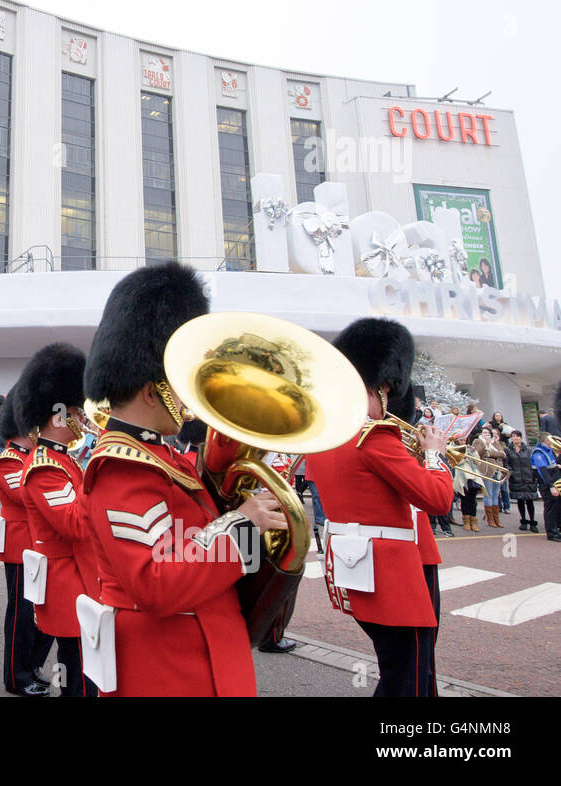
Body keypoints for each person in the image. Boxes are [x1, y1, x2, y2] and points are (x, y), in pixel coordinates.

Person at [82, 263, 282, 696]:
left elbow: (197, 535)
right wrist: (243, 526)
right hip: (170, 667)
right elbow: (156, 582)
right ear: (153, 390)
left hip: (207, 646)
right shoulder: (123, 468)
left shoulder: (162, 456)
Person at [310, 318, 452, 697]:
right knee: (408, 682)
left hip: (361, 570)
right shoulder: (374, 438)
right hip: (395, 580)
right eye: (384, 388)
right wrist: (435, 457)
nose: (389, 397)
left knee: (404, 673)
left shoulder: (328, 437)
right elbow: (437, 499)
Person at [14, 342, 99, 698]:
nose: (82, 420)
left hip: (81, 577)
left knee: (81, 672)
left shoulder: (64, 460)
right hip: (68, 584)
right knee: (75, 677)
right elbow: (76, 524)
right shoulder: (45, 468)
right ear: (58, 414)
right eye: (77, 413)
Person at [0, 392, 53, 697]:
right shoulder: (9, 460)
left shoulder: (31, 458)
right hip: (19, 547)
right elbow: (25, 497)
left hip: (39, 545)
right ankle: (16, 677)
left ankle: (32, 666)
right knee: (21, 614)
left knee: (42, 611)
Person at [535, 388, 561, 542]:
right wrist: (551, 486)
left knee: (555, 508)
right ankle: (551, 533)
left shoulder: (549, 452)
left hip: (554, 482)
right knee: (550, 509)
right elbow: (543, 471)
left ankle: (556, 530)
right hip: (547, 485)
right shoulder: (539, 453)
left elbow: (552, 466)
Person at [504, 429, 539, 532]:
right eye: (513, 436)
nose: (515, 438)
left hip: (528, 478)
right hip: (516, 479)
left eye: (517, 436)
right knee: (520, 500)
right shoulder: (508, 450)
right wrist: (512, 473)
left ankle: (532, 522)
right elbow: (506, 463)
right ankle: (523, 521)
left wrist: (533, 476)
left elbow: (533, 463)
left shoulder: (528, 450)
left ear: (521, 438)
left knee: (529, 501)